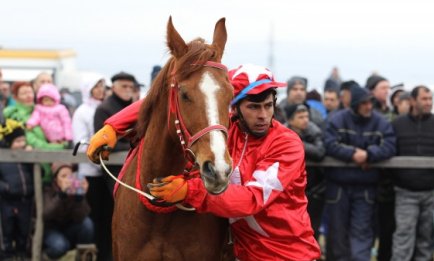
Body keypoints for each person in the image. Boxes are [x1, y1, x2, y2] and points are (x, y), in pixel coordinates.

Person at [86, 64, 321, 260]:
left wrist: (190, 190)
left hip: (289, 254)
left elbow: (252, 199)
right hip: (244, 253)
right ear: (235, 108)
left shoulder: (287, 144)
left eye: (268, 106)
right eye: (253, 107)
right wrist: (113, 126)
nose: (262, 115)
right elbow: (178, 99)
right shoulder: (227, 131)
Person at [324, 83, 396, 261]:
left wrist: (369, 155)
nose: (369, 106)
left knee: (362, 233)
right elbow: (329, 144)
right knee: (337, 234)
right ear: (355, 104)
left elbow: (389, 146)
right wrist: (353, 154)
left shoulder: (380, 122)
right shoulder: (337, 120)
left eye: (370, 102)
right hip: (338, 187)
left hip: (365, 187)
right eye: (364, 103)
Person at [391, 86, 434, 261]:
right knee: (403, 237)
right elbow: (389, 152)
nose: (429, 102)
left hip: (432, 191)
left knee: (426, 239)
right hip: (405, 191)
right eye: (424, 99)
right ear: (413, 101)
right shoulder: (398, 124)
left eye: (430, 98)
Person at [92, 71, 136, 261]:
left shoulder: (135, 107)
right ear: (114, 87)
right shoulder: (104, 108)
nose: (127, 90)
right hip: (113, 169)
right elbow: (103, 140)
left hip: (134, 167)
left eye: (130, 87)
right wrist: (134, 144)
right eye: (123, 86)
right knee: (114, 213)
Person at [3, 81, 66, 182]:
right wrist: (59, 147)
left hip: (51, 160)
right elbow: (30, 140)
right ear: (15, 97)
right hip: (29, 164)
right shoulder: (14, 115)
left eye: (30, 92)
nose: (28, 96)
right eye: (24, 93)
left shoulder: (42, 110)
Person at [71, 77, 105, 258]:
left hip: (105, 171)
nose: (100, 89)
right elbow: (80, 141)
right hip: (89, 172)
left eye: (102, 86)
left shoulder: (105, 107)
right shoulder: (82, 112)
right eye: (96, 86)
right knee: (93, 215)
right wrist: (98, 151)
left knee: (105, 215)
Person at [284, 103, 326, 240]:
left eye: (306, 116)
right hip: (289, 189)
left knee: (312, 227)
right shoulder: (281, 133)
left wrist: (296, 143)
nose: (305, 119)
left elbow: (319, 152)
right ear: (290, 120)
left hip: (314, 188)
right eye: (300, 116)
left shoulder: (314, 132)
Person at [42, 162, 94, 260]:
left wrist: (79, 198)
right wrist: (61, 196)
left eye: (70, 176)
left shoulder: (75, 189)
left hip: (68, 227)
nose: (67, 179)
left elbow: (82, 216)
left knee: (87, 224)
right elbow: (46, 214)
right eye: (63, 176)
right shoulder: (48, 189)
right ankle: (44, 256)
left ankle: (82, 257)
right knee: (60, 246)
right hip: (51, 229)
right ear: (56, 179)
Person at [0, 120, 34, 261]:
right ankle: (6, 255)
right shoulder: (3, 158)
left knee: (23, 230)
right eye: (18, 141)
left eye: (23, 140)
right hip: (6, 201)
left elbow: (39, 174)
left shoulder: (26, 158)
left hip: (25, 200)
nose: (22, 144)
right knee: (6, 230)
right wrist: (5, 188)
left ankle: (22, 254)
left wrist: (30, 158)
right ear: (9, 143)